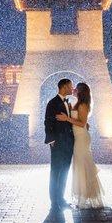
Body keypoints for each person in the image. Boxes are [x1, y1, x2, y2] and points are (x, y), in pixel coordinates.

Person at [56, 82, 105, 209]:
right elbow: (84, 122)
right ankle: (82, 196)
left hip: (81, 138)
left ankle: (85, 197)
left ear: (80, 92)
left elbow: (82, 123)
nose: (74, 90)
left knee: (82, 165)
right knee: (79, 165)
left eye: (76, 89)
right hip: (78, 137)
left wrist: (66, 118)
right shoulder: (78, 104)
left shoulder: (83, 105)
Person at [44, 78, 75, 210]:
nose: (72, 89)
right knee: (56, 171)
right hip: (58, 143)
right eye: (70, 86)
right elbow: (48, 122)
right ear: (63, 87)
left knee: (65, 171)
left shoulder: (68, 103)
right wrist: (51, 140)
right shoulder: (52, 103)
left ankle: (61, 199)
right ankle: (54, 202)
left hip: (68, 143)